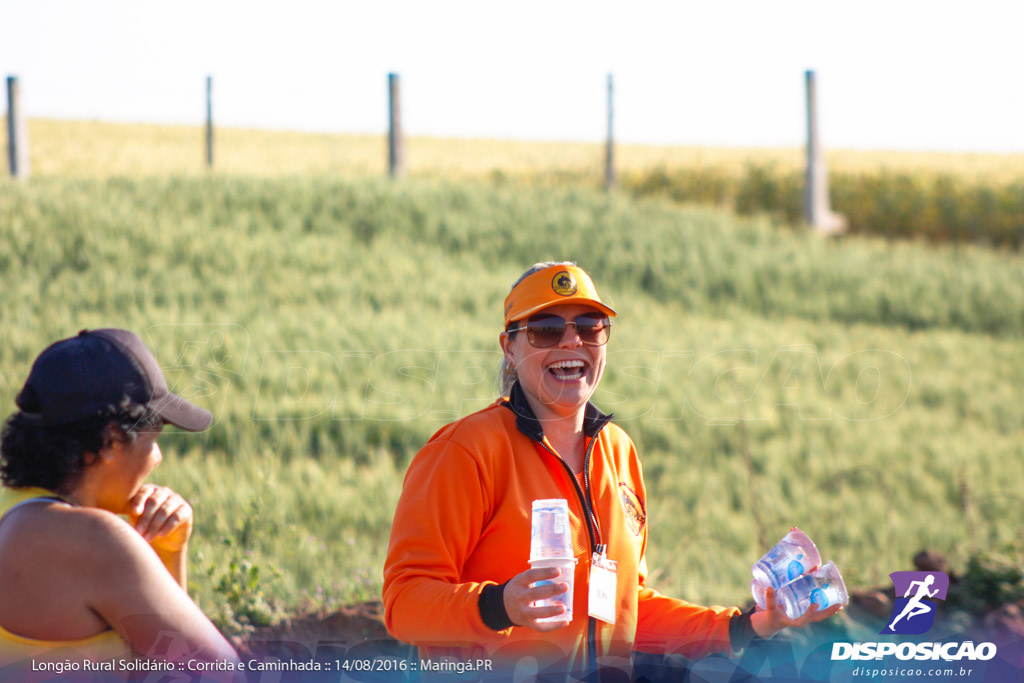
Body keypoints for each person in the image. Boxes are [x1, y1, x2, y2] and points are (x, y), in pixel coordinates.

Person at [383, 262, 841, 680]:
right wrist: (499, 605)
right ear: (509, 346)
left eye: (590, 326)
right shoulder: (464, 451)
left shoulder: (618, 451)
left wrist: (749, 625)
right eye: (545, 329)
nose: (571, 342)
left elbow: (627, 608)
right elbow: (404, 603)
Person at [0, 329, 240, 675]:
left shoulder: (11, 511)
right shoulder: (97, 541)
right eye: (153, 439)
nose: (157, 458)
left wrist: (168, 548)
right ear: (112, 439)